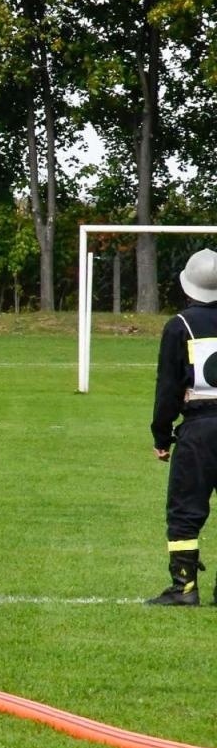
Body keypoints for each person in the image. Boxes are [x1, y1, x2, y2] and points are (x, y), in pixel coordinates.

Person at [148, 247, 217, 606]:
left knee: (185, 509)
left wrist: (162, 435)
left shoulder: (180, 326)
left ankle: (184, 588)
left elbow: (168, 388)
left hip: (199, 430)